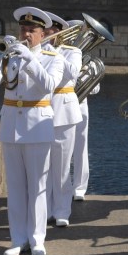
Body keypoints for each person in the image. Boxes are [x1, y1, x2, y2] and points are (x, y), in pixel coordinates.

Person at [0, 6, 64, 255]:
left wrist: (29, 58)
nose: (26, 34)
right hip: (11, 125)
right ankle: (17, 239)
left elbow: (49, 85)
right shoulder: (10, 56)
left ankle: (37, 238)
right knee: (16, 187)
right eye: (23, 29)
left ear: (43, 34)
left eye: (32, 30)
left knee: (38, 186)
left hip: (37, 125)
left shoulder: (53, 58)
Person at [43, 12, 83, 228]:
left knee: (62, 167)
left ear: (59, 32)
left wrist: (54, 53)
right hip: (40, 111)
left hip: (64, 111)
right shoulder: (37, 53)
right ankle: (45, 209)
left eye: (49, 32)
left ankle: (61, 210)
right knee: (42, 167)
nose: (46, 35)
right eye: (44, 32)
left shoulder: (72, 51)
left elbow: (73, 74)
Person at [67, 18, 101, 201]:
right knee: (59, 150)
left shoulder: (90, 61)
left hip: (80, 105)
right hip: (59, 106)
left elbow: (95, 89)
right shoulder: (59, 55)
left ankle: (79, 187)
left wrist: (85, 75)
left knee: (80, 147)